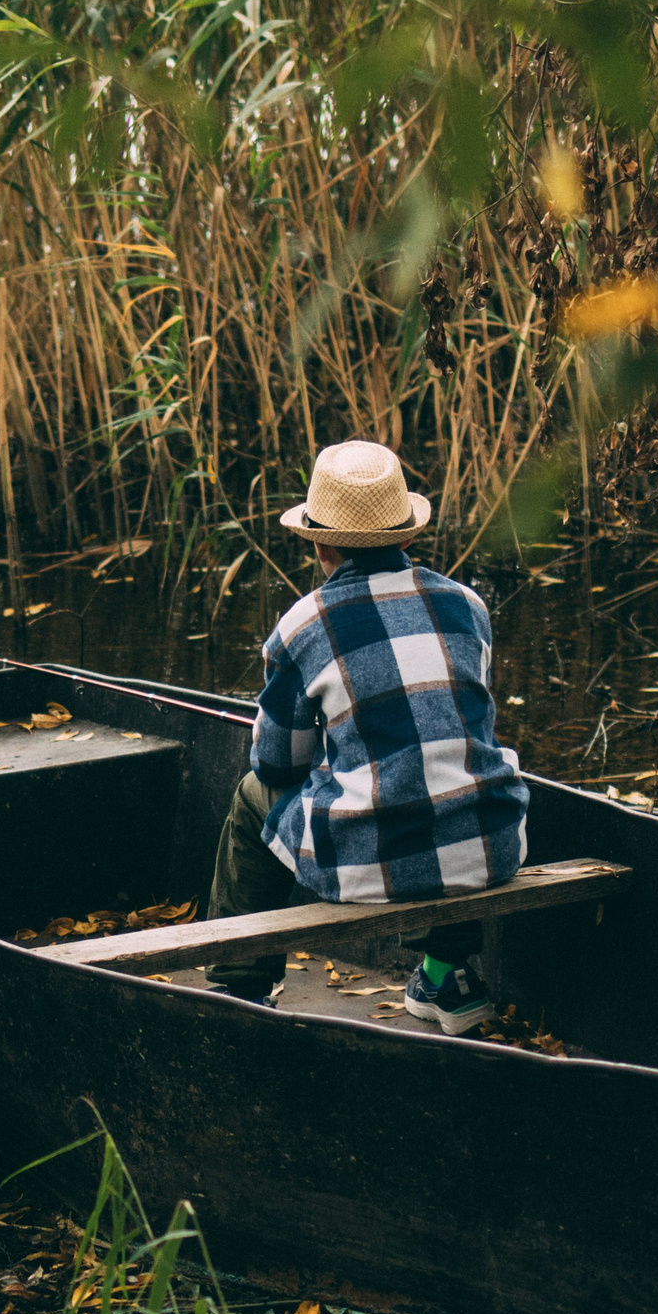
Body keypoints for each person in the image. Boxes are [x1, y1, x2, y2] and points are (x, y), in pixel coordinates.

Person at [206, 440, 529, 1033]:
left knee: (251, 797)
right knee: (443, 777)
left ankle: (240, 988)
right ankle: (448, 975)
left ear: (319, 543)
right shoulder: (469, 605)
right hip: (492, 845)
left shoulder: (302, 625)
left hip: (372, 862)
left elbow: (276, 763)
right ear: (407, 535)